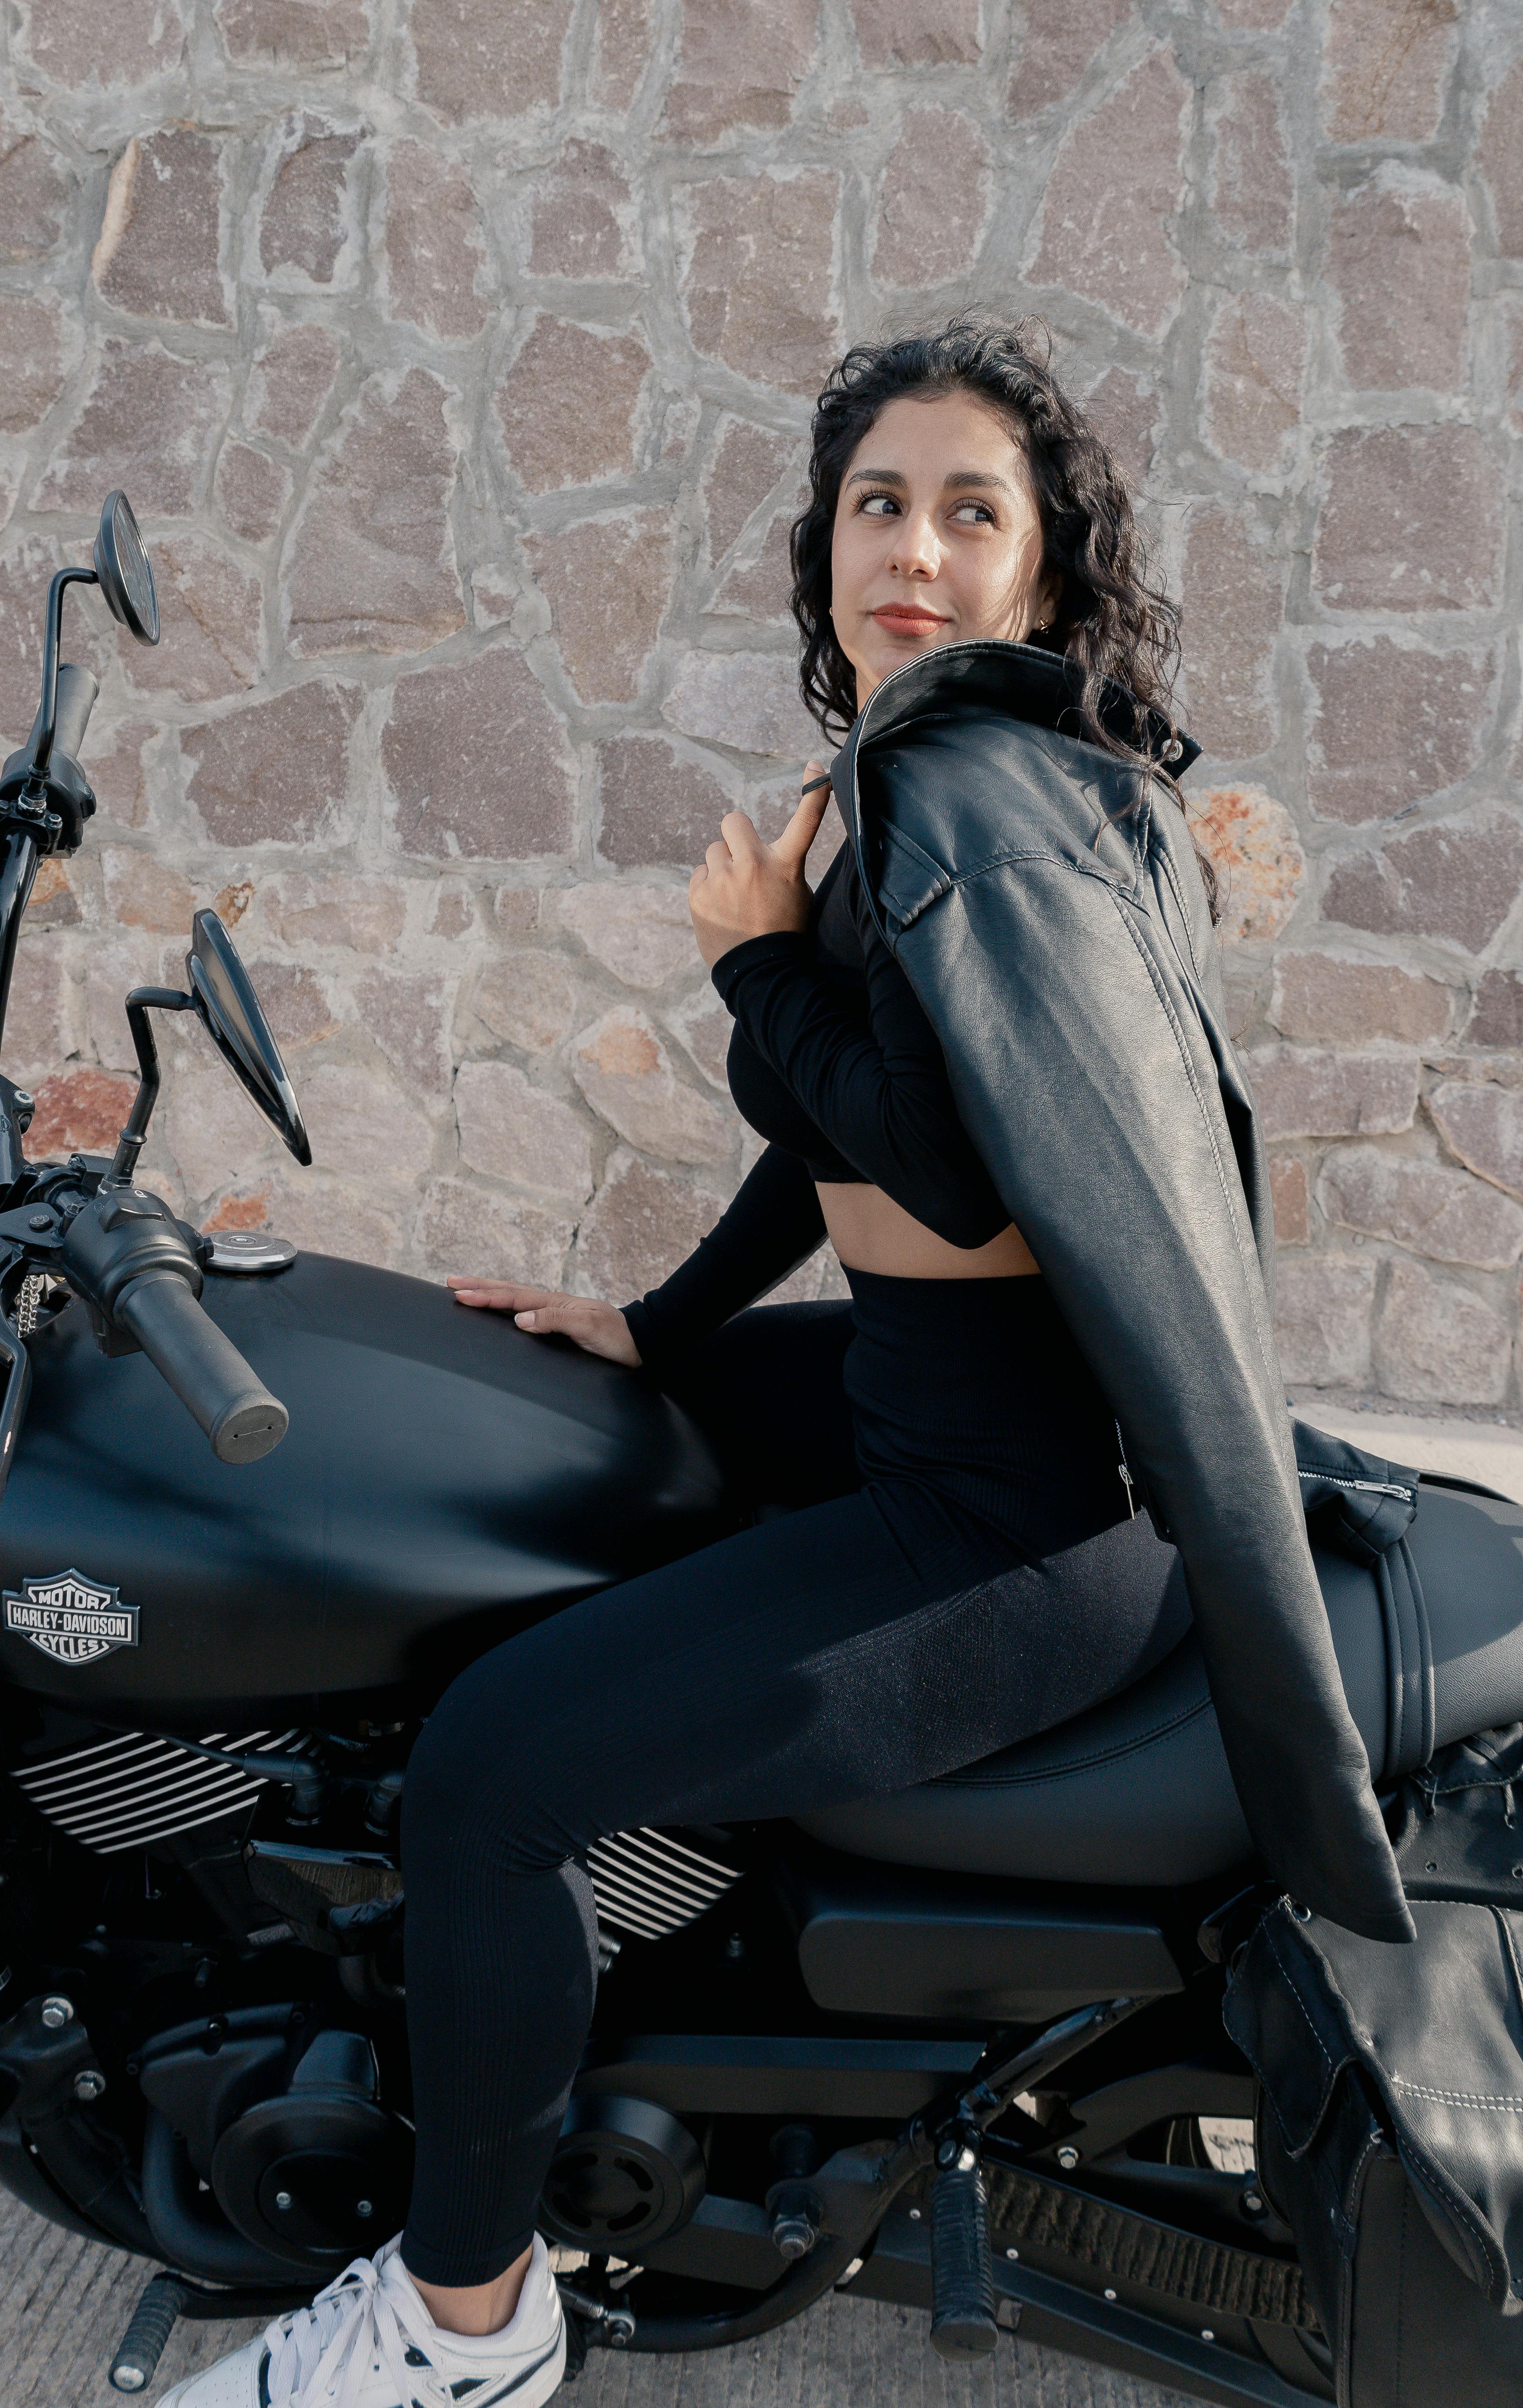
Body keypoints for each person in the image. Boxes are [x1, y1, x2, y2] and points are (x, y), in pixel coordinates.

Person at [164, 317, 1207, 2408]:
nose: (912, 543)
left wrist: (745, 957)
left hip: (1012, 1515)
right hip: (947, 1397)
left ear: (1049, 572)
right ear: (824, 543)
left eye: (969, 511)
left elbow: (947, 1157)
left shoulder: (965, 796)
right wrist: (651, 1329)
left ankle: (465, 2325)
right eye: (877, 502)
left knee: (488, 1782)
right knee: (566, 1446)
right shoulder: (942, 769)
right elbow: (831, 1136)